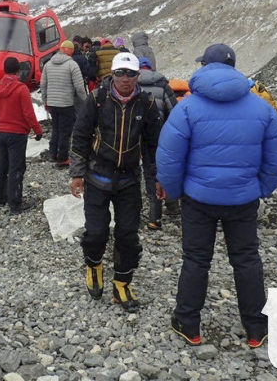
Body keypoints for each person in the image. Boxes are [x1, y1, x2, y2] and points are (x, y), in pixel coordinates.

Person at [156, 43, 277, 347]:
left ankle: (188, 324)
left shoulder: (187, 107)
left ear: (205, 67)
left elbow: (170, 157)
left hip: (198, 200)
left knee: (196, 260)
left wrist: (173, 191)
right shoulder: (261, 107)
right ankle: (256, 328)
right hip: (242, 199)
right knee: (246, 260)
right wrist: (261, 188)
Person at [70, 52, 163, 312]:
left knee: (127, 235)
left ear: (138, 76)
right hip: (97, 177)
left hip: (128, 182)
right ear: (112, 74)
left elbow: (153, 146)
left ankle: (122, 282)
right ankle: (94, 265)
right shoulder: (97, 100)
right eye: (120, 73)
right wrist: (77, 173)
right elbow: (80, 136)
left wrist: (156, 179)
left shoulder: (146, 104)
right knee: (97, 232)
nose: (125, 78)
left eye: (131, 73)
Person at [0, 57, 44, 214]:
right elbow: (28, 113)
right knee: (16, 167)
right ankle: (15, 203)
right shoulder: (21, 89)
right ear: (18, 71)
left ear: (4, 70)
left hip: (1, 131)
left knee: (2, 166)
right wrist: (38, 130)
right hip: (17, 133)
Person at [136, 57, 177, 230]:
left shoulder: (131, 83)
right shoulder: (161, 83)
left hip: (136, 135)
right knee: (162, 170)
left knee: (144, 173)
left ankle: (149, 215)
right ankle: (170, 208)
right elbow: (174, 109)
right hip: (160, 134)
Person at [41, 40, 87, 168]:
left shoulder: (48, 64)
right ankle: (62, 159)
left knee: (55, 128)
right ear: (71, 51)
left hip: (52, 103)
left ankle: (52, 153)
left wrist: (45, 101)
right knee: (65, 131)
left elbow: (43, 84)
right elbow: (79, 87)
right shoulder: (72, 65)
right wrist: (86, 102)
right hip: (66, 103)